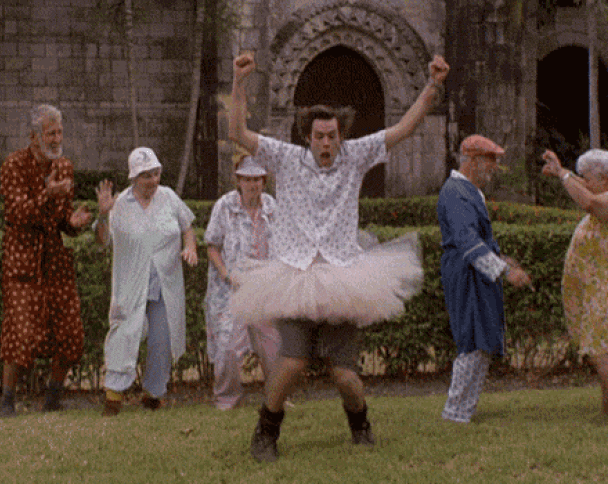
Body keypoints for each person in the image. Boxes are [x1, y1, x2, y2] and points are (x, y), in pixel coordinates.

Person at [228, 52, 449, 462]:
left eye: (332, 136)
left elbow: (404, 128)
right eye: (319, 136)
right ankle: (265, 433)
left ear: (341, 136)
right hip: (294, 277)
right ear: (307, 136)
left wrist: (432, 86)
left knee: (345, 376)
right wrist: (240, 82)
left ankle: (360, 424)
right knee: (292, 364)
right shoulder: (285, 158)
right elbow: (237, 131)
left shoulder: (356, 156)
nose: (326, 143)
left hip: (342, 276)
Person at [542, 148, 608, 428]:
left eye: (588, 177)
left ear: (604, 179)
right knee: (604, 350)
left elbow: (589, 202)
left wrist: (563, 175)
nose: (584, 181)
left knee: (598, 352)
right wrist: (561, 171)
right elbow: (586, 188)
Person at [0, 104, 92, 418]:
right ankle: (7, 400)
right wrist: (46, 195)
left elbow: (62, 219)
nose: (56, 139)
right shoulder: (13, 165)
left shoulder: (64, 167)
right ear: (33, 137)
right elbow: (16, 213)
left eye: (59, 132)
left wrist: (73, 222)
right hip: (22, 258)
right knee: (20, 329)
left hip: (55, 258)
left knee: (70, 329)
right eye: (50, 133)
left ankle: (53, 396)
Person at [95, 147, 198, 416]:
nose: (153, 180)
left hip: (164, 284)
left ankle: (154, 395)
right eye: (146, 176)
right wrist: (103, 215)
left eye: (155, 173)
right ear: (133, 178)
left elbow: (187, 226)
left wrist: (190, 247)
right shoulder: (119, 204)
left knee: (162, 339)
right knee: (124, 333)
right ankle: (113, 396)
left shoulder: (169, 197)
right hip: (131, 285)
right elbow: (102, 241)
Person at [437, 135, 532, 424]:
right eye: (490, 160)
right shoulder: (456, 192)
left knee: (482, 340)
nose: (494, 167)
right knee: (472, 339)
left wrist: (502, 260)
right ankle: (455, 412)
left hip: (475, 271)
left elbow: (476, 239)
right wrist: (506, 271)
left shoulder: (468, 191)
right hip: (466, 273)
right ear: (472, 160)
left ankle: (464, 409)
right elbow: (467, 241)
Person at [204, 153, 281, 410]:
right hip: (231, 289)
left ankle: (277, 398)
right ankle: (227, 399)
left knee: (273, 348)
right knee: (227, 347)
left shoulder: (272, 207)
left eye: (257, 179)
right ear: (238, 180)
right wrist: (227, 275)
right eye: (247, 179)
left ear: (264, 181)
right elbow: (212, 246)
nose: (252, 184)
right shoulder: (224, 206)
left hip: (265, 289)